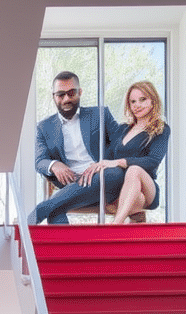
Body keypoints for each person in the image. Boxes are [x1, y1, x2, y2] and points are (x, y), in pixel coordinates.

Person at [28, 71, 125, 226]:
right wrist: (54, 165)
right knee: (55, 211)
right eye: (60, 95)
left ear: (80, 92)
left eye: (71, 93)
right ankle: (64, 249)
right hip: (71, 185)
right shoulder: (43, 127)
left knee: (114, 173)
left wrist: (103, 164)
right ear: (53, 96)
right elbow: (40, 161)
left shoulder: (100, 114)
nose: (66, 99)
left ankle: (39, 212)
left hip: (104, 180)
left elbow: (121, 145)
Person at [107, 81, 171, 226]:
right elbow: (110, 156)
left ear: (153, 101)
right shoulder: (123, 128)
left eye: (142, 99)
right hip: (125, 189)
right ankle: (135, 217)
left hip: (148, 188)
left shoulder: (161, 128)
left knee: (134, 170)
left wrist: (121, 162)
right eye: (132, 101)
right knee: (134, 197)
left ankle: (115, 225)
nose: (136, 105)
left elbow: (153, 161)